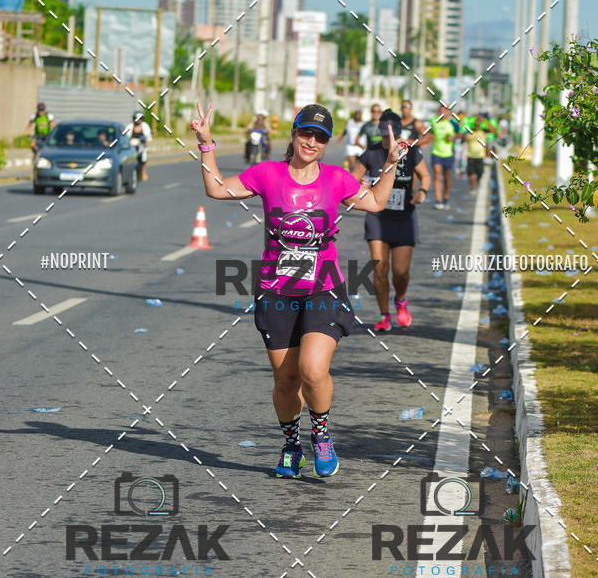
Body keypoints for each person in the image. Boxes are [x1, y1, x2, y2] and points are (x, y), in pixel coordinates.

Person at [191, 101, 408, 480]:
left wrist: (390, 162)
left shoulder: (336, 179)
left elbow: (375, 202)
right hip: (276, 291)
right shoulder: (267, 174)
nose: (312, 142)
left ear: (326, 144)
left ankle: (321, 436)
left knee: (312, 368)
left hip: (324, 287)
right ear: (293, 134)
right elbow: (217, 189)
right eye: (306, 133)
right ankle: (291, 445)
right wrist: (206, 144)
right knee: (286, 380)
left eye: (320, 137)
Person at [353, 110, 430, 331]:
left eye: (393, 134)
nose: (389, 139)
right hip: (377, 218)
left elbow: (425, 175)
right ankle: (384, 314)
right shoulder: (372, 153)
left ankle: (401, 300)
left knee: (400, 271)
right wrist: (362, 187)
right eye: (385, 135)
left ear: (399, 132)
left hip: (404, 218)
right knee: (379, 268)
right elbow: (352, 179)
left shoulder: (410, 152)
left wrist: (422, 192)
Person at [430, 104, 459, 209]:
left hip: (448, 154)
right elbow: (430, 133)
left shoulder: (452, 123)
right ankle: (438, 200)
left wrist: (453, 138)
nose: (442, 113)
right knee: (437, 175)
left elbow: (459, 134)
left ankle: (445, 197)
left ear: (448, 113)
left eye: (445, 111)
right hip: (436, 153)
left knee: (447, 177)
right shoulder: (433, 121)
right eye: (440, 111)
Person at [463, 116, 487, 194]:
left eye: (478, 123)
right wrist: (464, 138)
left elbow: (494, 130)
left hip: (480, 156)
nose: (476, 124)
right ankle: (472, 187)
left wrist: (484, 121)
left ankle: (479, 181)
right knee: (471, 173)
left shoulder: (483, 131)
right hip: (471, 155)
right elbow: (462, 139)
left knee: (480, 172)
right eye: (475, 123)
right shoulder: (469, 132)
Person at [130, 112, 152, 180]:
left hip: (141, 146)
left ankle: (143, 172)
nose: (138, 120)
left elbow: (148, 137)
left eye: (140, 119)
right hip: (132, 146)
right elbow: (126, 135)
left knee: (144, 157)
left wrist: (146, 143)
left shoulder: (145, 126)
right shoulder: (130, 126)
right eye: (137, 119)